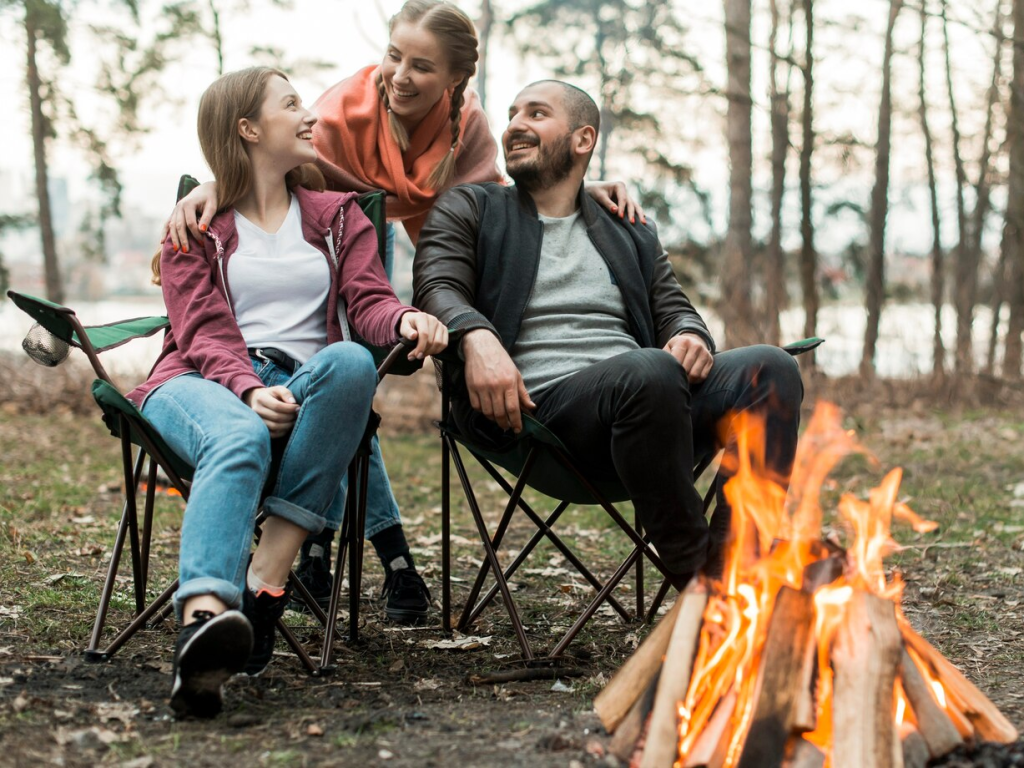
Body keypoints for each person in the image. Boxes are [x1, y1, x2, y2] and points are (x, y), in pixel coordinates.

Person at [164, 0, 646, 625]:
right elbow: (254, 170)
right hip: (285, 291)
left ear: (453, 83)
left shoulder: (461, 128)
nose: (399, 75)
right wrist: (210, 189)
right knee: (313, 402)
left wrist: (585, 188)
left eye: (422, 66)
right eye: (393, 56)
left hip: (353, 252)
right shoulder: (335, 117)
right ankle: (364, 557)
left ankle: (304, 563)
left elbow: (499, 200)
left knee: (348, 368)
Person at [128, 66, 447, 718]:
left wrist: (404, 320)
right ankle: (204, 622)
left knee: (354, 363)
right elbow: (202, 331)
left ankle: (264, 584)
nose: (312, 116)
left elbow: (371, 302)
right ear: (247, 128)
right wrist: (246, 389)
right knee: (240, 434)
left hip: (305, 389)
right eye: (292, 104)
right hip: (199, 382)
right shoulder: (196, 225)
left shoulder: (338, 219)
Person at [412, 80, 804, 586]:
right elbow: (436, 286)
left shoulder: (628, 226)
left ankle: (736, 572)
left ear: (582, 139)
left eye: (536, 113)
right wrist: (475, 336)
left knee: (772, 369)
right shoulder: (471, 208)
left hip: (652, 408)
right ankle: (701, 588)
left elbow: (675, 308)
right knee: (649, 370)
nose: (514, 125)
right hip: (538, 414)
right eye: (512, 114)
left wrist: (691, 337)